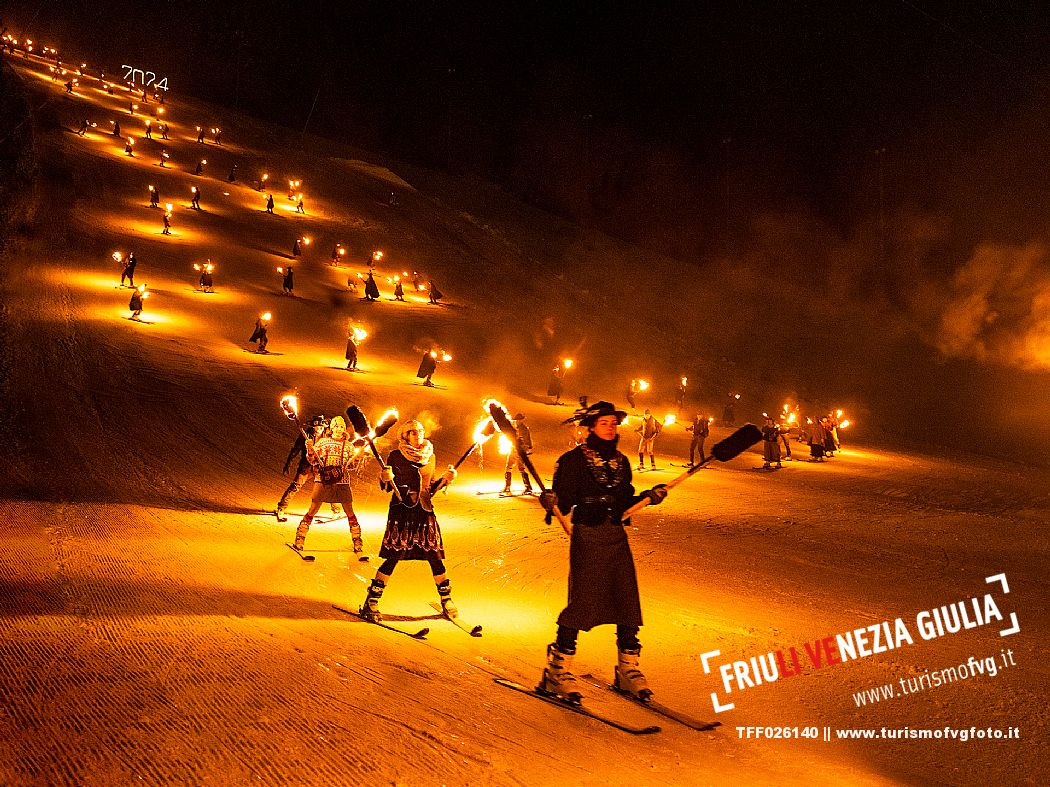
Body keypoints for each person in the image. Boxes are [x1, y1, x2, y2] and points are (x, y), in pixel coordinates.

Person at [536, 401, 667, 703]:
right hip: (588, 535)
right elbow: (564, 502)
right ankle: (557, 670)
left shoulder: (621, 461)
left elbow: (624, 500)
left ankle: (627, 669)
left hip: (615, 535)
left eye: (614, 423)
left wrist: (649, 497)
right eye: (604, 423)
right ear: (591, 427)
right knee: (583, 600)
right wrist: (552, 499)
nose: (611, 428)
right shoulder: (572, 461)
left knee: (626, 597)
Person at [359, 420, 459, 621]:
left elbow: (430, 489)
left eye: (420, 431)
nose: (417, 435)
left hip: (424, 511)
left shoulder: (430, 457)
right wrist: (385, 477)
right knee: (394, 556)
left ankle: (446, 599)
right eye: (413, 432)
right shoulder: (396, 456)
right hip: (402, 510)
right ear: (405, 436)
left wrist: (446, 479)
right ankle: (372, 600)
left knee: (435, 556)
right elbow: (387, 486)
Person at [291, 416, 365, 558]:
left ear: (344, 430)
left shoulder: (349, 446)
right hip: (323, 480)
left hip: (342, 482)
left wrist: (357, 458)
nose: (339, 429)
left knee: (349, 510)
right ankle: (300, 537)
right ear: (331, 428)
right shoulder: (323, 443)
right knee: (313, 508)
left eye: (342, 427)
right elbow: (312, 461)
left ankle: (357, 540)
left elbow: (351, 466)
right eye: (336, 426)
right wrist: (311, 451)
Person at [502, 413, 534, 496]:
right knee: (508, 467)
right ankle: (507, 486)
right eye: (516, 420)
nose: (517, 422)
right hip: (513, 450)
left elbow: (527, 441)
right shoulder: (514, 428)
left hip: (520, 451)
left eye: (519, 420)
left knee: (521, 468)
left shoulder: (524, 429)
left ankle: (528, 487)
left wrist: (526, 449)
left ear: (522, 420)